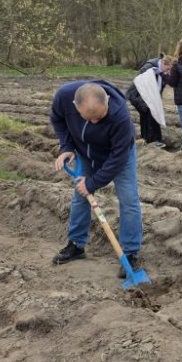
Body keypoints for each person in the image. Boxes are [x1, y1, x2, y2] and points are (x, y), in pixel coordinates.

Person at [49, 81, 143, 276]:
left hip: (117, 154)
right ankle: (76, 245)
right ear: (75, 106)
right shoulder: (64, 97)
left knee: (129, 200)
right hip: (84, 153)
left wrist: (92, 183)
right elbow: (57, 119)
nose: (94, 123)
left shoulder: (120, 117)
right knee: (80, 197)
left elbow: (118, 158)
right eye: (88, 118)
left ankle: (131, 254)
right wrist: (66, 147)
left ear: (107, 101)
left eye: (99, 117)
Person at [126, 55, 173, 146]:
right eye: (168, 68)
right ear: (163, 63)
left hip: (150, 98)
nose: (169, 71)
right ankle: (151, 141)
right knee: (148, 116)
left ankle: (153, 140)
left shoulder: (162, 72)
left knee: (152, 116)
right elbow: (139, 84)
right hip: (138, 96)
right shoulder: (149, 67)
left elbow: (159, 88)